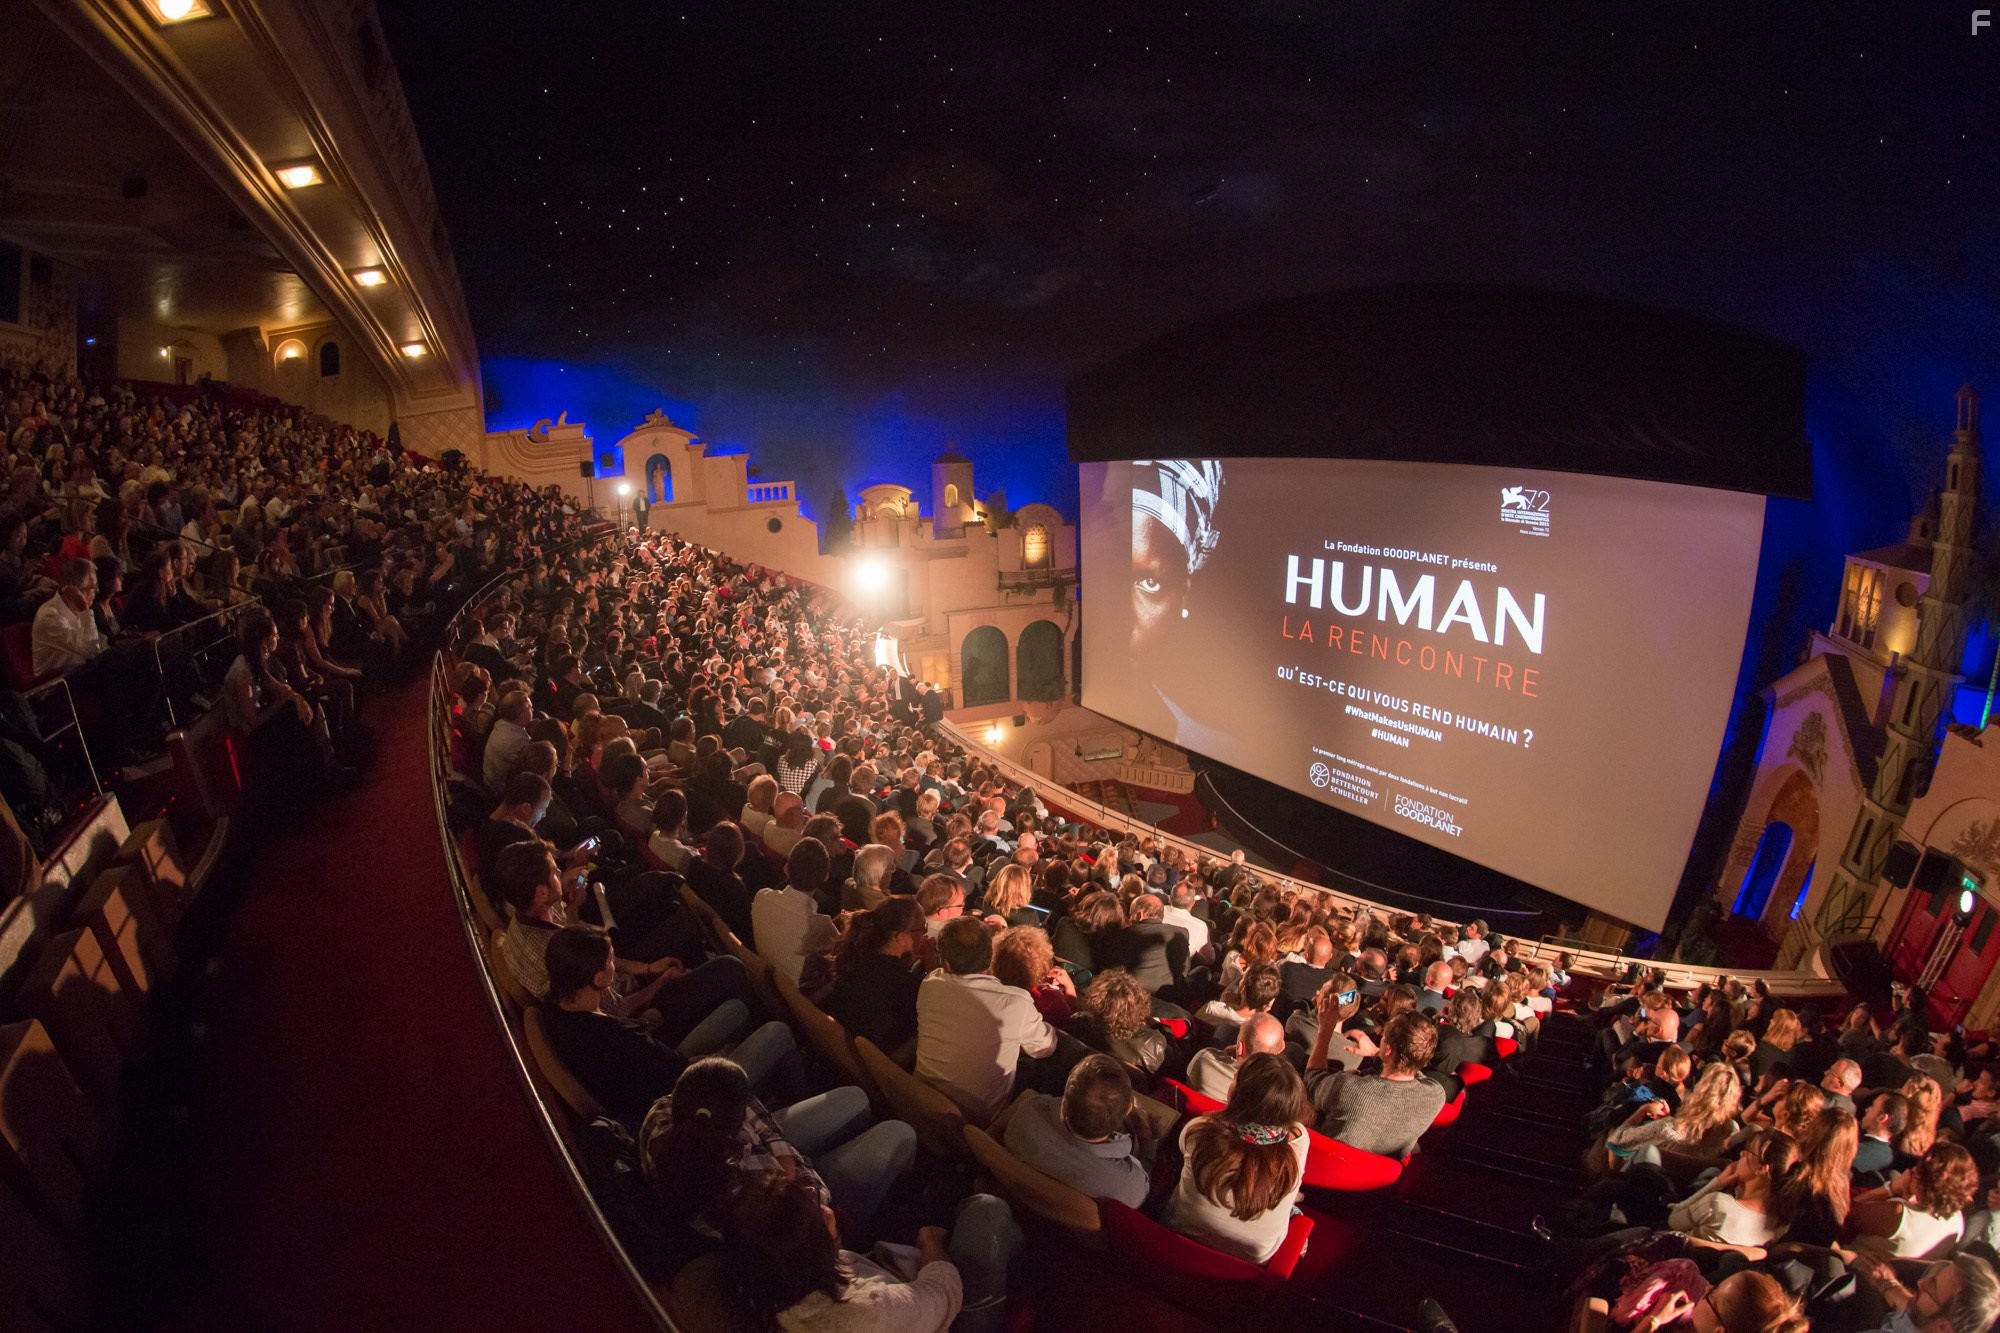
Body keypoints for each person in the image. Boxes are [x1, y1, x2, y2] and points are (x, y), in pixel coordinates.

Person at [642, 1056, 916, 1249]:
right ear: (733, 1127)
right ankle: (878, 1224)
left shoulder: (665, 1115)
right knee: (899, 1132)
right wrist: (792, 1166)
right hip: (807, 1219)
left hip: (785, 1171)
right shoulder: (740, 1196)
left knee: (854, 1096)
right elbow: (816, 1200)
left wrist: (784, 1158)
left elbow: (750, 1106)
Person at [540, 925, 794, 1125]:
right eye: (610, 961)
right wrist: (720, 1056)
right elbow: (683, 1072)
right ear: (598, 978)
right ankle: (776, 1102)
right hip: (682, 1098)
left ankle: (759, 1093)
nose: (615, 966)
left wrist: (660, 983)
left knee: (736, 1010)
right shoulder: (621, 1038)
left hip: (657, 1070)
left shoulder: (554, 1008)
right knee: (778, 1032)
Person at [719, 1172, 1022, 1333]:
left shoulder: (754, 1283)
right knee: (988, 1211)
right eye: (815, 1212)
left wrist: (828, 1242)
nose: (824, 1208)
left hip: (890, 1293)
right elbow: (944, 1294)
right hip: (940, 1313)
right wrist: (932, 1243)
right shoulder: (864, 1314)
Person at [1159, 1051, 1311, 1264]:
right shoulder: (1299, 1141)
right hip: (1252, 1264)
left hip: (1175, 1245)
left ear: (1237, 1095)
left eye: (1235, 1079)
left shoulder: (1198, 1131)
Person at [914, 917, 1058, 1123]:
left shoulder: (930, 983)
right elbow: (1045, 1047)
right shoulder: (1015, 1002)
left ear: (946, 963)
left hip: (920, 1101)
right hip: (977, 1122)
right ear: (991, 958)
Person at [1002, 1053, 1154, 1209]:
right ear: (1128, 1110)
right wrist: (1147, 1140)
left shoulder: (1026, 1114)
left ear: (1065, 1106)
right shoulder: (1128, 1185)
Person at [1305, 1008, 1446, 1159]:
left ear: (1389, 1050)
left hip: (1325, 1166)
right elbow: (1415, 1067)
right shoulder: (1436, 1095)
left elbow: (1312, 1078)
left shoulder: (1349, 1088)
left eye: (1383, 1037)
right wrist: (1380, 1053)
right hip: (1380, 1179)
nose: (1380, 1037)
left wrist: (1325, 1031)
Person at [819, 897, 927, 1055]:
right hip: (865, 1059)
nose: (925, 934)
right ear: (900, 937)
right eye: (922, 928)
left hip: (836, 1047)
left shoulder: (857, 957)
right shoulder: (901, 982)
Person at [1848, 1142, 1980, 1259]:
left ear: (1925, 1180)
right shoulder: (1957, 1222)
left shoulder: (1898, 1214)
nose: (1913, 1169)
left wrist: (1890, 1188)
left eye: (1920, 1167)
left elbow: (1844, 1214)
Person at [753, 838, 839, 986]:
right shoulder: (821, 927)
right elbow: (842, 957)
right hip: (792, 998)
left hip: (765, 984)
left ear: (786, 869)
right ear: (825, 877)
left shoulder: (762, 897)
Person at [1849, 1251, 2000, 1333]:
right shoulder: (1925, 1321)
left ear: (1943, 1328)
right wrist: (1887, 1284)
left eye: (1931, 1287)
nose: (1921, 1283)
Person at [1187, 1010, 1286, 1103]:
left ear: (1239, 1048)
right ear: (1280, 1051)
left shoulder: (1203, 1061)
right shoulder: (1275, 1096)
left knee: (1225, 1030)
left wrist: (1227, 1052)